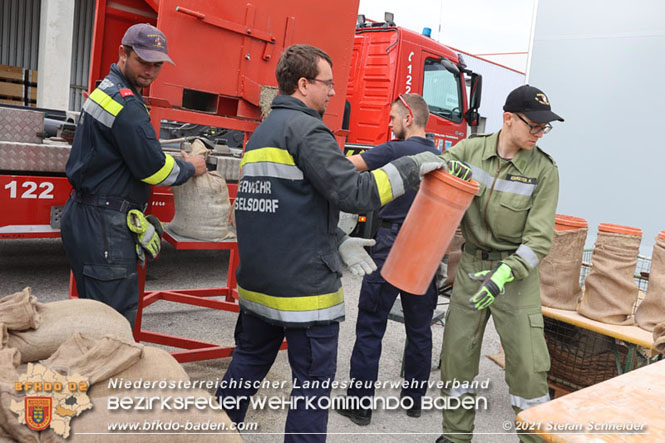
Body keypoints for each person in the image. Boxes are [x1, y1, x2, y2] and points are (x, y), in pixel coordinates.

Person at [216, 44, 447, 442]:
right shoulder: (308, 131)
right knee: (312, 385)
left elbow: (281, 208)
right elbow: (355, 192)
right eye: (328, 83)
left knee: (247, 365)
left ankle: (207, 435)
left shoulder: (260, 136)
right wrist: (409, 167)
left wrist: (337, 238)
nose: (334, 93)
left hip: (258, 286)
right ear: (304, 85)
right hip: (304, 294)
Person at [435, 84, 563, 443]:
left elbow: (538, 239)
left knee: (528, 368)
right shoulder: (470, 150)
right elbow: (437, 173)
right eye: (533, 126)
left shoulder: (544, 171)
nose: (539, 133)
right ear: (508, 119)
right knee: (457, 356)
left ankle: (534, 439)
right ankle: (456, 436)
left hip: (516, 278)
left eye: (544, 128)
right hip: (472, 268)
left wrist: (506, 273)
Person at [61, 23, 207, 328]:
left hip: (88, 216)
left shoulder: (107, 90)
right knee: (112, 325)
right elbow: (155, 169)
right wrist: (192, 166)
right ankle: (105, 375)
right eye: (143, 62)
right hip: (104, 226)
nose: (150, 71)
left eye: (157, 65)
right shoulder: (127, 104)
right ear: (122, 53)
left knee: (94, 317)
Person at [337, 93, 457, 425]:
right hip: (427, 245)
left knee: (371, 324)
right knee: (420, 327)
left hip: (391, 241)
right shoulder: (440, 155)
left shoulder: (394, 150)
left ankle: (360, 405)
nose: (389, 124)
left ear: (408, 119)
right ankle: (414, 400)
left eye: (392, 118)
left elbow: (347, 167)